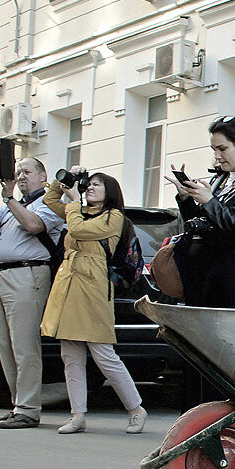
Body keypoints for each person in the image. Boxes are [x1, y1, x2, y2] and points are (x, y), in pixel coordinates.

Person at [166, 115, 235, 409]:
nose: (217, 156)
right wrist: (185, 198)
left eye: (222, 149)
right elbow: (199, 224)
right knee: (193, 350)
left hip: (228, 271)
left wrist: (208, 201)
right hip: (199, 270)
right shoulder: (219, 179)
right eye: (213, 149)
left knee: (219, 352)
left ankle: (218, 424)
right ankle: (192, 422)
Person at [40, 169, 147, 434]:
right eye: (89, 184)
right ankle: (77, 415)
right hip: (69, 285)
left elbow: (77, 228)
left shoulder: (114, 217)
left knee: (103, 354)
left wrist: (74, 200)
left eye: (96, 185)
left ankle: (136, 409)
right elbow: (50, 202)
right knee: (70, 354)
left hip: (93, 285)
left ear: (109, 191)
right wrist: (64, 182)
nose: (90, 188)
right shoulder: (80, 210)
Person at [0, 158, 66, 429]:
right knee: (6, 346)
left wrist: (8, 197)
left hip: (28, 274)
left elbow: (34, 226)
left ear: (42, 175)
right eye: (17, 173)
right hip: (1, 275)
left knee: (24, 345)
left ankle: (28, 408)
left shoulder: (49, 202)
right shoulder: (13, 205)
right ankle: (18, 405)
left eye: (27, 172)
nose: (21, 177)